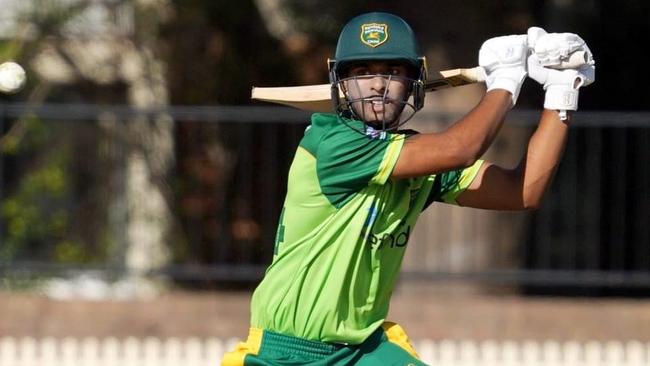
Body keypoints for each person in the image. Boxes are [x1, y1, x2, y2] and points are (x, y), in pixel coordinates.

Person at [223, 12, 595, 366]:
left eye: (393, 71)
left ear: (414, 82)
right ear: (340, 81)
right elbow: (460, 149)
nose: (377, 83)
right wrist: (504, 83)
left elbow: (522, 192)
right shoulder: (333, 142)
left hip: (360, 350)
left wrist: (562, 93)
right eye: (362, 71)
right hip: (287, 352)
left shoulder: (419, 162)